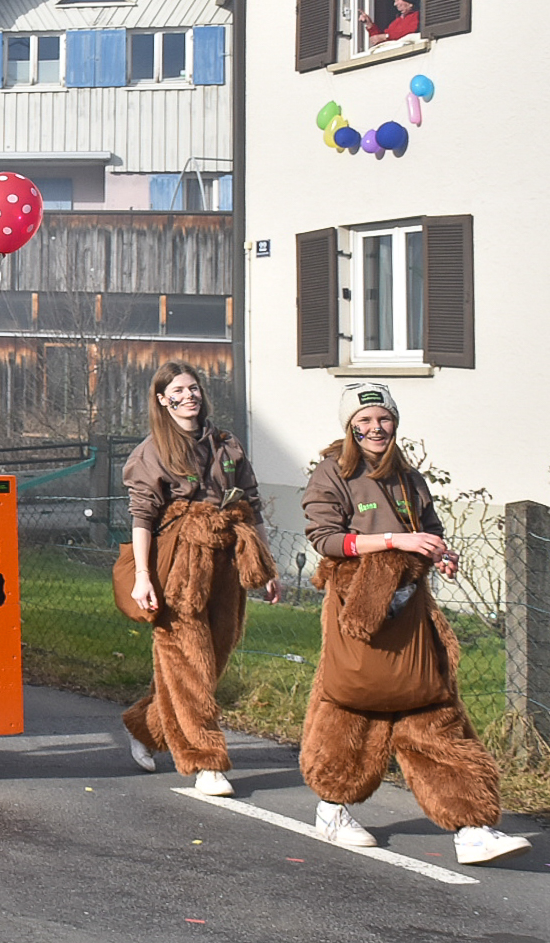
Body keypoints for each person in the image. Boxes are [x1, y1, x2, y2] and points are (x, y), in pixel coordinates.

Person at [299, 383, 531, 865]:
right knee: (354, 701)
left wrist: (440, 552)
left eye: (383, 419)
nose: (375, 428)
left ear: (395, 422)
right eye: (364, 421)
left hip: (411, 606)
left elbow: (431, 529)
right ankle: (333, 807)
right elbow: (326, 539)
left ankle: (472, 827)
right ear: (349, 427)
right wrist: (393, 542)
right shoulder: (332, 473)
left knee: (432, 706)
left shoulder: (408, 477)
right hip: (357, 609)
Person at [121, 362, 278, 795]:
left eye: (193, 388)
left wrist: (266, 567)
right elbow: (142, 519)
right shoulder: (152, 452)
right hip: (179, 568)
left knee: (211, 663)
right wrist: (143, 577)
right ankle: (205, 762)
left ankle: (145, 726)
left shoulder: (226, 444)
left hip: (227, 564)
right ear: (162, 399)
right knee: (190, 663)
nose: (188, 396)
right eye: (178, 390)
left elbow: (253, 507)